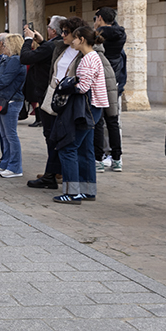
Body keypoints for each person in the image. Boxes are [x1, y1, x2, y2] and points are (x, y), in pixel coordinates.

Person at [50, 26, 109, 205]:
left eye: (74, 38)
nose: (72, 41)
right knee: (85, 149)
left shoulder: (87, 59)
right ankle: (87, 190)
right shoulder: (93, 56)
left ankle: (72, 193)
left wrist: (65, 85)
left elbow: (83, 87)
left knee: (68, 148)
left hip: (85, 109)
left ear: (81, 39)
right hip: (94, 108)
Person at [27, 17, 84, 191]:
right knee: (50, 137)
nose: (62, 35)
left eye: (66, 32)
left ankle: (65, 182)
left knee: (63, 140)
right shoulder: (60, 47)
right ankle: (51, 174)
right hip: (52, 96)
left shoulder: (85, 53)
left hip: (68, 99)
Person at [0, 33, 27, 179]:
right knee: (5, 134)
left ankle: (15, 167)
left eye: (5, 44)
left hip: (11, 100)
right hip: (5, 98)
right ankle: (6, 163)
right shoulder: (9, 59)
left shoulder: (15, 60)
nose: (3, 47)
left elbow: (5, 79)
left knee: (10, 135)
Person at [93, 7, 125, 171]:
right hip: (114, 80)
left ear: (99, 18)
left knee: (98, 121)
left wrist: (95, 29)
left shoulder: (98, 36)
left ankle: (98, 159)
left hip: (100, 80)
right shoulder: (121, 34)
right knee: (113, 121)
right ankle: (117, 159)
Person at [21, 16, 67, 129]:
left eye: (48, 27)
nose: (47, 29)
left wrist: (28, 39)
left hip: (45, 88)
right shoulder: (58, 44)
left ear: (54, 31)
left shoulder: (51, 46)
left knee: (49, 128)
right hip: (54, 87)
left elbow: (25, 58)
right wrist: (42, 42)